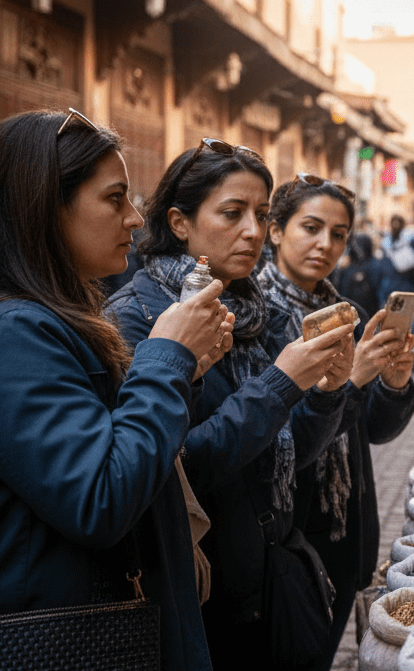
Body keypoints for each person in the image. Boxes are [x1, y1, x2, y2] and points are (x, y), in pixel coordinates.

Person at [0, 110, 232, 670]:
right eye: (115, 199)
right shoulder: (10, 333)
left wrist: (182, 372)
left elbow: (119, 445)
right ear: (42, 205)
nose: (135, 218)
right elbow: (99, 499)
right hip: (67, 641)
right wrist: (165, 357)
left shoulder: (60, 314)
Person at [107, 139, 355, 669]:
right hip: (200, 591)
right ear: (180, 223)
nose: (253, 231)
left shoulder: (249, 308)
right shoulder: (140, 318)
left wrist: (330, 389)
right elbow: (176, 469)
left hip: (267, 574)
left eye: (262, 215)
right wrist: (280, 384)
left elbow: (292, 454)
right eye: (232, 212)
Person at [258, 174, 414, 670]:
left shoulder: (343, 315)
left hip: (347, 527)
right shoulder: (254, 319)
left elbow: (372, 430)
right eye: (311, 227)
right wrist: (352, 380)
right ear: (277, 230)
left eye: (339, 233)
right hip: (292, 533)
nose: (325, 244)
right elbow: (279, 439)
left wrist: (392, 381)